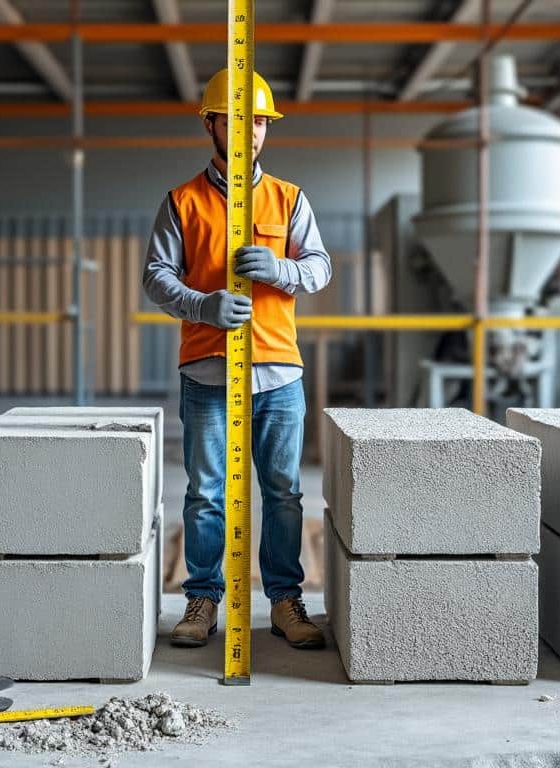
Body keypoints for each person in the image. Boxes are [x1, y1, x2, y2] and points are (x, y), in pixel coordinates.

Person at [142, 69, 332, 650]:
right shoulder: (181, 202)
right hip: (206, 372)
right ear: (210, 123)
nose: (249, 132)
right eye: (235, 119)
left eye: (259, 122)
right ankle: (201, 600)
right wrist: (201, 304)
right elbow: (156, 277)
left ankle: (284, 601)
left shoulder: (289, 197)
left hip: (278, 372)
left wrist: (284, 272)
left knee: (281, 492)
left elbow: (320, 268)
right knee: (204, 492)